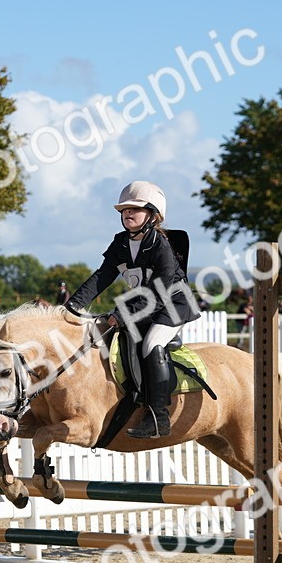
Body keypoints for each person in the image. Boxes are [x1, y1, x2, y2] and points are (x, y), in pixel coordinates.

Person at [64, 180, 200, 438]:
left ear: (153, 215)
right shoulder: (121, 243)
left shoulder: (161, 246)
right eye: (124, 209)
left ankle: (159, 416)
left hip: (172, 305)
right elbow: (102, 277)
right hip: (145, 304)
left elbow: (160, 293)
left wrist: (123, 314)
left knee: (150, 344)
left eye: (134, 209)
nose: (127, 213)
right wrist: (72, 306)